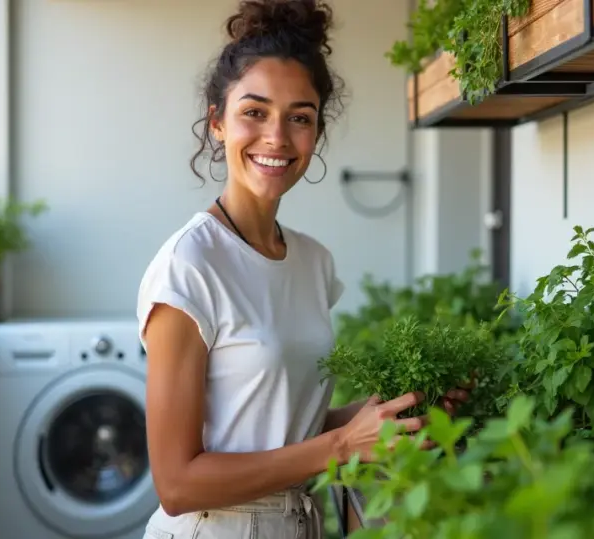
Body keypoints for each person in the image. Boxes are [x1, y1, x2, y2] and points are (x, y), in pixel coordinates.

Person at [136, 1, 470, 537]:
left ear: (316, 132)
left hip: (300, 522)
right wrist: (341, 445)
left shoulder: (313, 262)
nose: (277, 137)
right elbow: (177, 485)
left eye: (299, 117)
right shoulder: (190, 265)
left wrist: (387, 415)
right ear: (217, 122)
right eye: (254, 112)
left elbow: (280, 428)